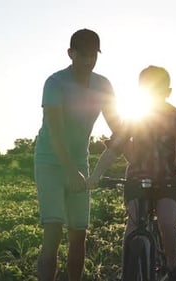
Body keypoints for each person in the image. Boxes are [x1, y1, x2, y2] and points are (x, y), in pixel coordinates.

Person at [86, 65, 176, 281]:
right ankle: (127, 272)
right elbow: (114, 149)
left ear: (167, 92)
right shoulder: (134, 119)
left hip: (168, 180)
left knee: (167, 222)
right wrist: (96, 176)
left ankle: (172, 265)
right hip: (137, 178)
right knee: (133, 225)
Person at [33, 28, 121, 281]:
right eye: (82, 55)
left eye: (93, 55)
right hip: (50, 161)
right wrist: (71, 171)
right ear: (70, 53)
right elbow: (56, 132)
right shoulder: (55, 83)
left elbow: (117, 126)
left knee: (78, 233)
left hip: (80, 161)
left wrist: (132, 145)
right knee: (53, 233)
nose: (88, 61)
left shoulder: (102, 85)